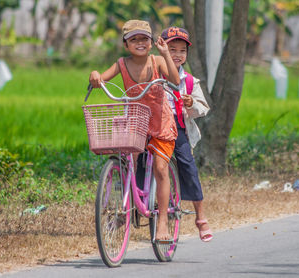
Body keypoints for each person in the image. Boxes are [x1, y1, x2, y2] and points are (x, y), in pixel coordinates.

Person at [89, 20, 180, 242]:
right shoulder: (121, 64)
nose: (139, 43)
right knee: (127, 156)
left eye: (144, 39)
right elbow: (101, 77)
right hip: (136, 121)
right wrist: (94, 75)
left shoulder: (156, 61)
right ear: (125, 44)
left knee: (160, 168)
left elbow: (176, 79)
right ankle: (128, 203)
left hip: (160, 122)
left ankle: (163, 223)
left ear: (151, 42)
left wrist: (166, 53)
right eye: (134, 39)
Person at [161, 26, 213, 242]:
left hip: (178, 127)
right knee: (141, 161)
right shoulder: (153, 73)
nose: (177, 55)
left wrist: (191, 103)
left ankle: (200, 217)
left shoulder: (189, 81)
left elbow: (203, 107)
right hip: (155, 126)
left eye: (182, 51)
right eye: (172, 49)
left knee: (188, 166)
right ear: (161, 49)